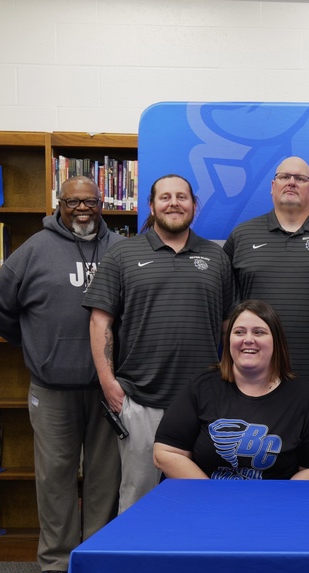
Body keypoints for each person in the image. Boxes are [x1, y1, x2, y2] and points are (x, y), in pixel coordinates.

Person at [0, 177, 123, 573]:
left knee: (104, 477)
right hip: (52, 386)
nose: (82, 209)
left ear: (102, 204)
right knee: (55, 475)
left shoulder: (119, 249)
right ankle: (56, 562)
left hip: (107, 388)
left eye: (90, 201)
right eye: (73, 201)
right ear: (59, 204)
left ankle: (95, 556)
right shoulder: (36, 249)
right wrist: (30, 341)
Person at [85, 174, 235, 512]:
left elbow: (230, 326)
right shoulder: (123, 254)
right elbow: (100, 321)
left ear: (194, 205)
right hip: (141, 398)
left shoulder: (216, 257)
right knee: (138, 495)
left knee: (203, 496)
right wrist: (108, 383)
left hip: (204, 401)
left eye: (182, 197)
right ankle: (134, 549)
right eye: (165, 197)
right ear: (152, 206)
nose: (174, 203)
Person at [154, 300, 309, 480]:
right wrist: (210, 494)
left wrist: (280, 499)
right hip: (206, 497)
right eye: (239, 332)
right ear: (228, 340)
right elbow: (166, 452)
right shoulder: (201, 386)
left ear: (276, 341)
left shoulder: (304, 396)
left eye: (259, 332)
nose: (248, 339)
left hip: (274, 499)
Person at [224, 157, 309, 394]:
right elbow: (225, 309)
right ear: (272, 186)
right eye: (284, 177)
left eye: (300, 178)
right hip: (253, 379)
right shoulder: (242, 236)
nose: (291, 182)